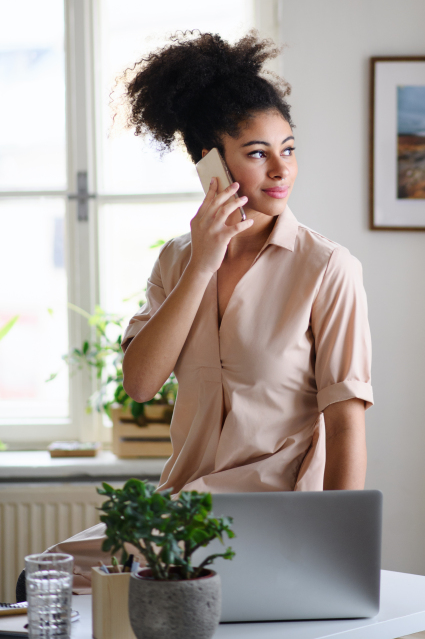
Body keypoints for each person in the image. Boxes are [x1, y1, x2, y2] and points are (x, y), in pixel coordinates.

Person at [46, 32, 373, 591]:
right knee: (50, 574)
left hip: (274, 520)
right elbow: (141, 384)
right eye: (257, 153)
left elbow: (346, 425)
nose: (281, 170)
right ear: (210, 165)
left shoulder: (328, 268)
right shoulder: (176, 261)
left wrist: (334, 553)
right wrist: (203, 264)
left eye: (288, 148)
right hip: (179, 512)